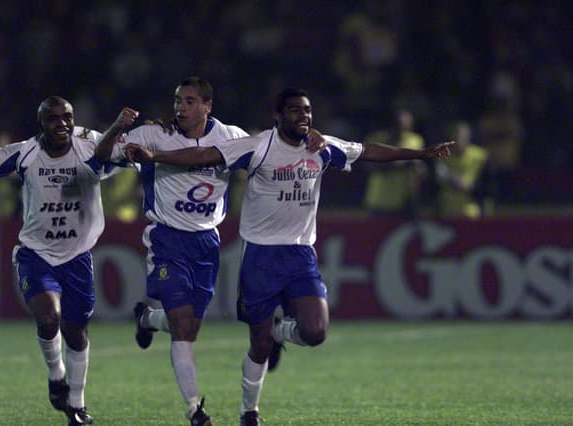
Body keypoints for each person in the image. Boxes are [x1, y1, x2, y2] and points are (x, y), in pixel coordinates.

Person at [123, 87, 454, 425]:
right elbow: (204, 156)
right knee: (258, 345)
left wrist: (422, 154)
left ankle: (281, 332)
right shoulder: (258, 146)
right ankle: (249, 411)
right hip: (260, 258)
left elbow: (368, 151)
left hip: (300, 255)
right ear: (277, 117)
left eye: (307, 111)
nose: (303, 116)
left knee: (315, 332)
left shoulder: (322, 148)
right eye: (294, 110)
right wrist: (155, 156)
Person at [0, 97, 121, 426]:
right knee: (50, 318)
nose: (61, 124)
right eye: (53, 119)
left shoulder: (90, 144)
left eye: (67, 117)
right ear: (41, 124)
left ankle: (76, 405)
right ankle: (56, 376)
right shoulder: (26, 153)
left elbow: (123, 150)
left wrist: (137, 132)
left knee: (77, 333)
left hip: (77, 256)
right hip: (35, 254)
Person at [363, 108, 427, 217]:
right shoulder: (377, 139)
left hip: (406, 200)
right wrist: (398, 164)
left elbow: (418, 167)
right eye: (398, 125)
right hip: (380, 200)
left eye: (405, 126)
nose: (401, 129)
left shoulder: (416, 140)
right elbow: (368, 166)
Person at [435, 120, 489, 218]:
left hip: (472, 212)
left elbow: (486, 184)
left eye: (463, 138)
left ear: (468, 138)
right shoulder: (443, 155)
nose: (459, 141)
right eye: (456, 138)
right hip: (447, 211)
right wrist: (456, 182)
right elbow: (439, 177)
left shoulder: (480, 156)